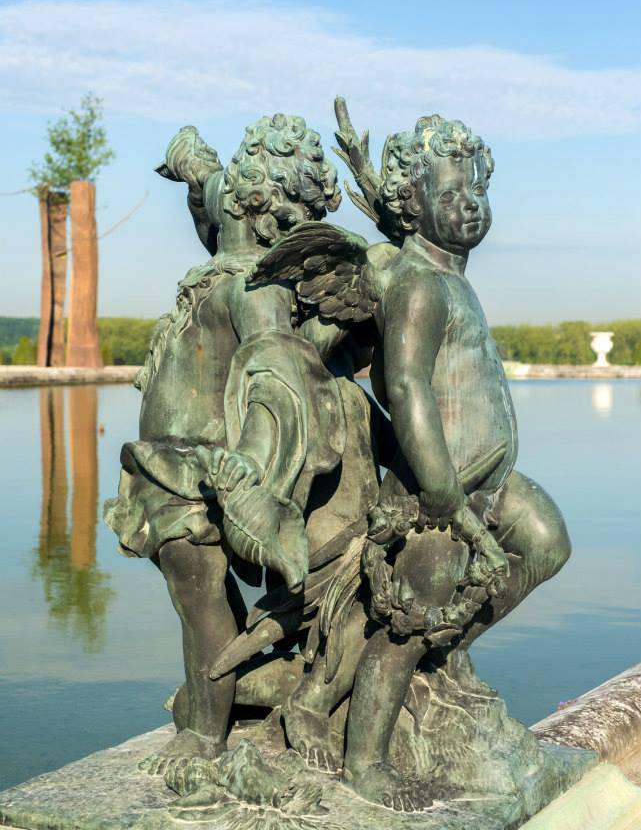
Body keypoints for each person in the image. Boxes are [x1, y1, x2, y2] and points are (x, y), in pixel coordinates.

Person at [252, 106, 571, 812]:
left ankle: (443, 648)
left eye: (477, 190)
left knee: (546, 541)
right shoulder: (419, 284)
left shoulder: (447, 274)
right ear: (412, 205)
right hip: (439, 490)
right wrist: (442, 494)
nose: (470, 205)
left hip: (488, 477)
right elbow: (405, 386)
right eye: (451, 194)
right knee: (406, 628)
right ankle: (366, 762)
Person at [105, 115, 345, 775]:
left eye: (233, 202)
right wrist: (191, 161)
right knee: (195, 596)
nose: (218, 212)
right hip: (167, 464)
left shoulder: (254, 287)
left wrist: (252, 463)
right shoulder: (228, 251)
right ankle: (229, 693)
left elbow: (275, 374)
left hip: (202, 473)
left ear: (255, 207)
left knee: (200, 596)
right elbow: (205, 187)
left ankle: (205, 735)